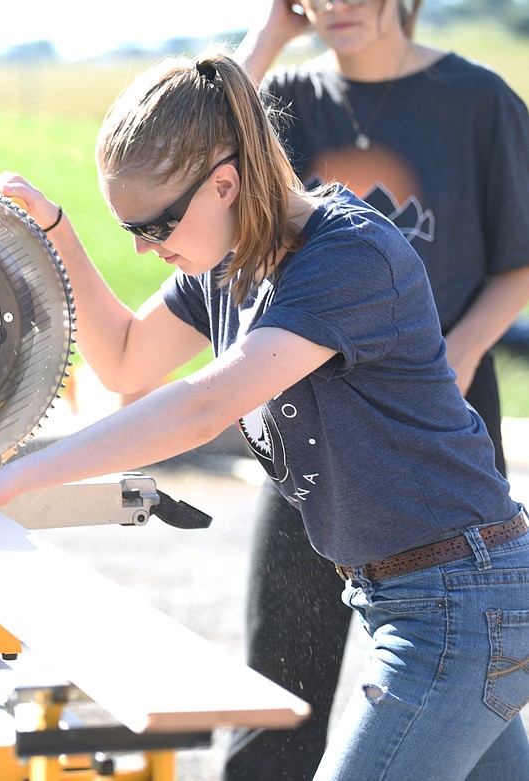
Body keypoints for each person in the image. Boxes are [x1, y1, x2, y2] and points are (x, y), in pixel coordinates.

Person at [0, 50, 529, 780]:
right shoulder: (231, 262)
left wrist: (7, 481)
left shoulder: (345, 258)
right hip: (420, 594)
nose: (144, 248)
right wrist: (55, 232)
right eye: (131, 228)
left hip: (458, 602)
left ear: (225, 183)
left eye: (155, 225)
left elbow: (203, 405)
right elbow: (124, 358)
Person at [223, 2, 529, 777]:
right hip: (305, 442)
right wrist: (263, 42)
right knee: (277, 688)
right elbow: (185, 156)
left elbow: (519, 258)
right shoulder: (282, 98)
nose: (336, 6)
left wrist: (460, 346)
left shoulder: (478, 100)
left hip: (438, 428)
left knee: (459, 680)